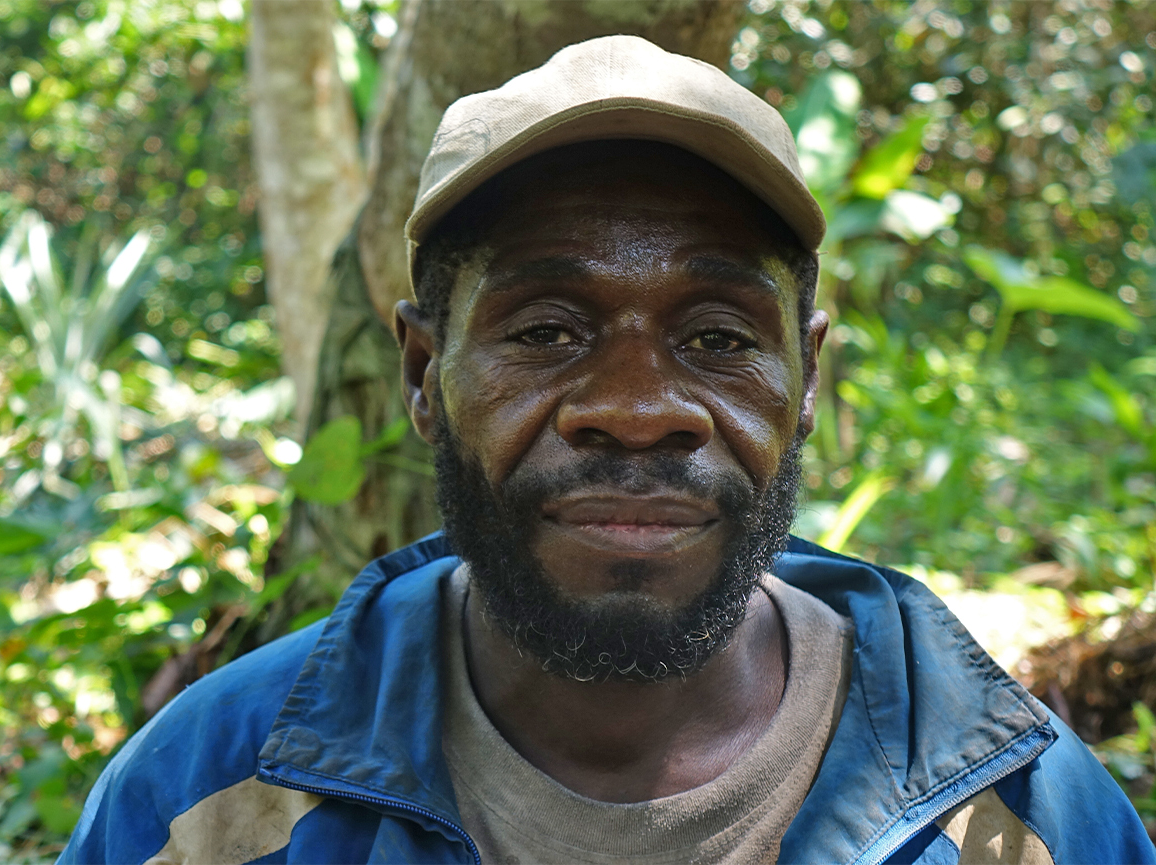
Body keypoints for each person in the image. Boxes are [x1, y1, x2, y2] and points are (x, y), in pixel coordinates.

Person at [59, 35, 1154, 865]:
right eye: (546, 331)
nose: (638, 407)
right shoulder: (208, 797)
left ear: (807, 379)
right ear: (421, 377)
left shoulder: (1021, 814)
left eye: (718, 338)